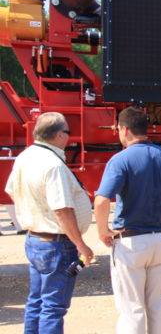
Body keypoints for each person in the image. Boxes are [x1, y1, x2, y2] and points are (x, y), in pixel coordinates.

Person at [94, 106, 161, 334]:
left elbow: (102, 200)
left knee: (132, 309)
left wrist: (102, 231)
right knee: (157, 306)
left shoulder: (120, 160)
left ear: (124, 129)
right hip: (160, 241)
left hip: (131, 242)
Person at [5, 112, 94, 333]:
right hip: (57, 244)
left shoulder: (25, 157)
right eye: (67, 132)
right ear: (58, 135)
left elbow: (11, 191)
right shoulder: (53, 165)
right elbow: (62, 210)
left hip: (35, 239)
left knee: (36, 301)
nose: (68, 137)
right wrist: (81, 245)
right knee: (53, 307)